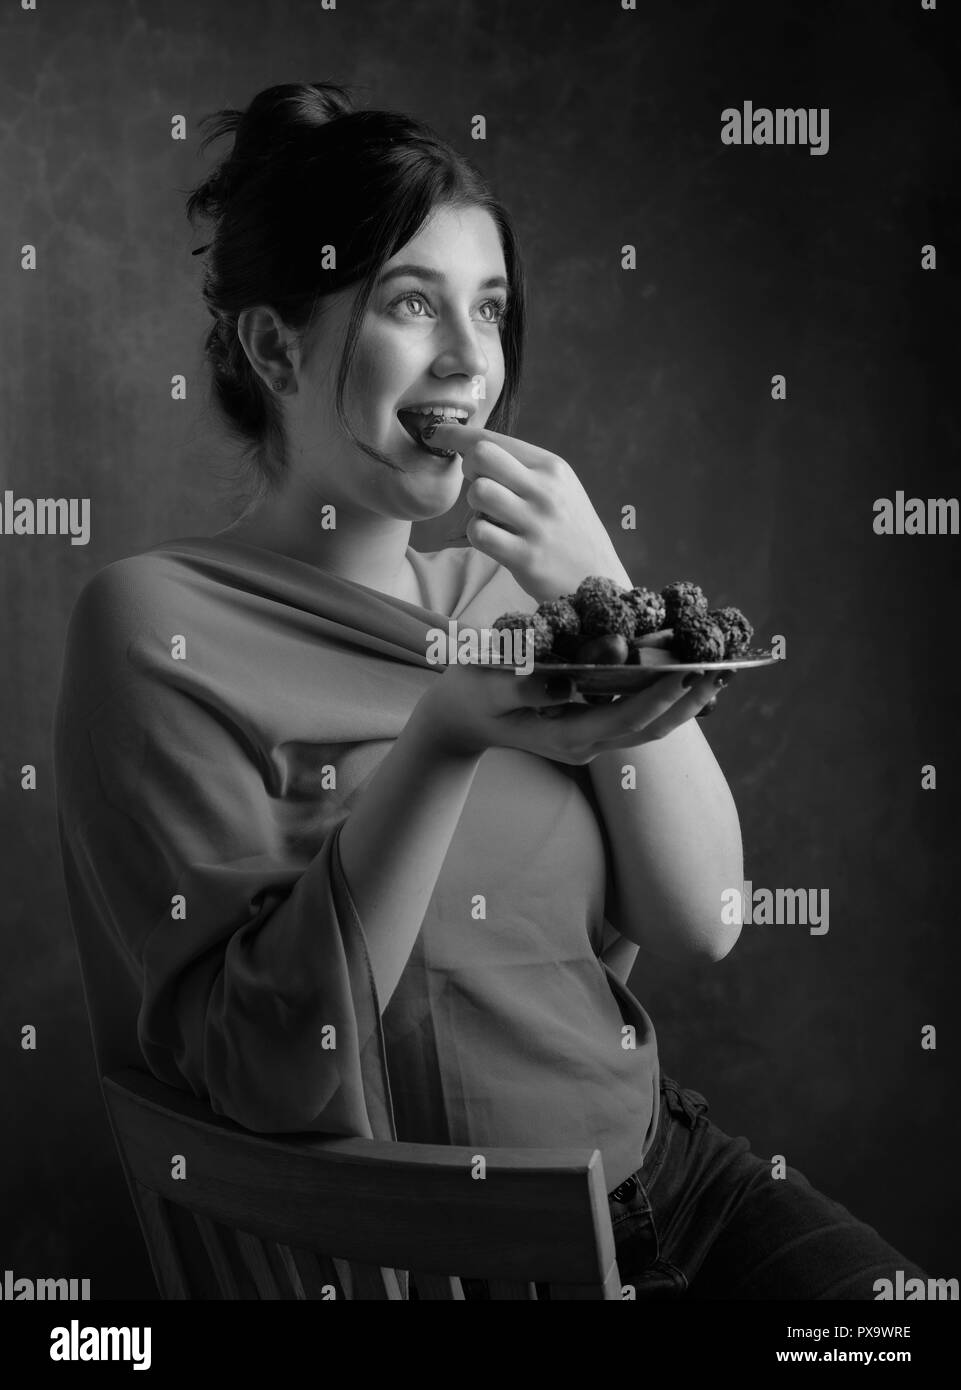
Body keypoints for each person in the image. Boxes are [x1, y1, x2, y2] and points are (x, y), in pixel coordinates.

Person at [53, 81, 927, 1299]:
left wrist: (610, 596)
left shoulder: (506, 597)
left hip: (680, 1182)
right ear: (272, 344)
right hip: (465, 1260)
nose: (474, 362)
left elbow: (705, 917)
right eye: (412, 304)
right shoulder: (154, 624)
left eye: (493, 311)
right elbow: (270, 1070)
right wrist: (442, 740)